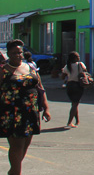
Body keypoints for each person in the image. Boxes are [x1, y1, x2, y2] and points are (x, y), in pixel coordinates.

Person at [1, 39, 51, 175]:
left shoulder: (30, 67)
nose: (18, 55)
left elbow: (40, 88)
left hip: (30, 112)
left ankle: (13, 171)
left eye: (20, 52)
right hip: (11, 113)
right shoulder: (3, 70)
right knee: (17, 145)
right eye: (14, 53)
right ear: (8, 54)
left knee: (25, 144)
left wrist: (46, 108)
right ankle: (16, 172)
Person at [61, 51, 87, 128]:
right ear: (74, 58)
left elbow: (62, 77)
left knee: (74, 103)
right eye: (77, 56)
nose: (79, 58)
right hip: (78, 85)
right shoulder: (80, 64)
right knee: (75, 104)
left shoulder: (67, 66)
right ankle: (69, 122)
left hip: (69, 86)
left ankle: (77, 120)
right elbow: (85, 72)